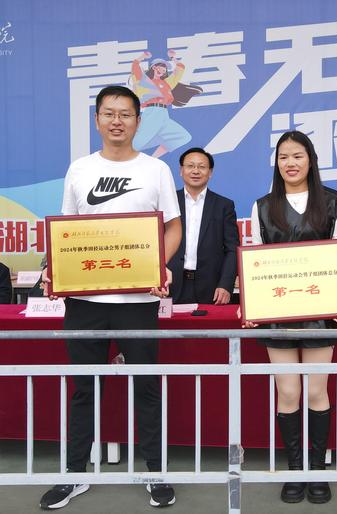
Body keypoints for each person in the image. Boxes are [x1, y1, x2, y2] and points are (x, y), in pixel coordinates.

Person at [39, 85, 182, 510]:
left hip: (138, 301)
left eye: (125, 114)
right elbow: (66, 231)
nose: (117, 121)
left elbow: (172, 227)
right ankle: (74, 474)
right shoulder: (80, 169)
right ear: (97, 120)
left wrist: (158, 265)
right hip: (86, 301)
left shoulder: (156, 170)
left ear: (138, 121)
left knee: (147, 387)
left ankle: (155, 472)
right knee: (84, 388)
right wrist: (53, 269)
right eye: (108, 113)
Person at [244, 130, 337, 504]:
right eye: (283, 157)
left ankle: (316, 470)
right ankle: (295, 470)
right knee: (288, 392)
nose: (290, 163)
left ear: (311, 160)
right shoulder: (262, 206)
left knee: (317, 391)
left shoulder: (333, 202)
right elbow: (255, 259)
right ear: (276, 163)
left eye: (297, 156)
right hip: (278, 313)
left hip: (321, 313)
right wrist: (252, 306)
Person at [168, 147, 239, 304]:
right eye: (190, 166)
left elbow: (232, 249)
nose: (196, 171)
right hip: (171, 285)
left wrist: (225, 284)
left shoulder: (223, 205)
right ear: (181, 170)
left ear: (210, 172)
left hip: (211, 288)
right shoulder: (168, 202)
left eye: (201, 167)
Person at [130, 50, 201, 158]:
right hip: (152, 112)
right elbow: (135, 66)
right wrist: (143, 56)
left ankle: (153, 159)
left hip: (163, 113)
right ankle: (120, 159)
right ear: (154, 67)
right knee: (137, 143)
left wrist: (173, 58)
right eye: (160, 68)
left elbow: (180, 70)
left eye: (164, 70)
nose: (162, 71)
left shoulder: (167, 83)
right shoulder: (144, 81)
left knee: (182, 136)